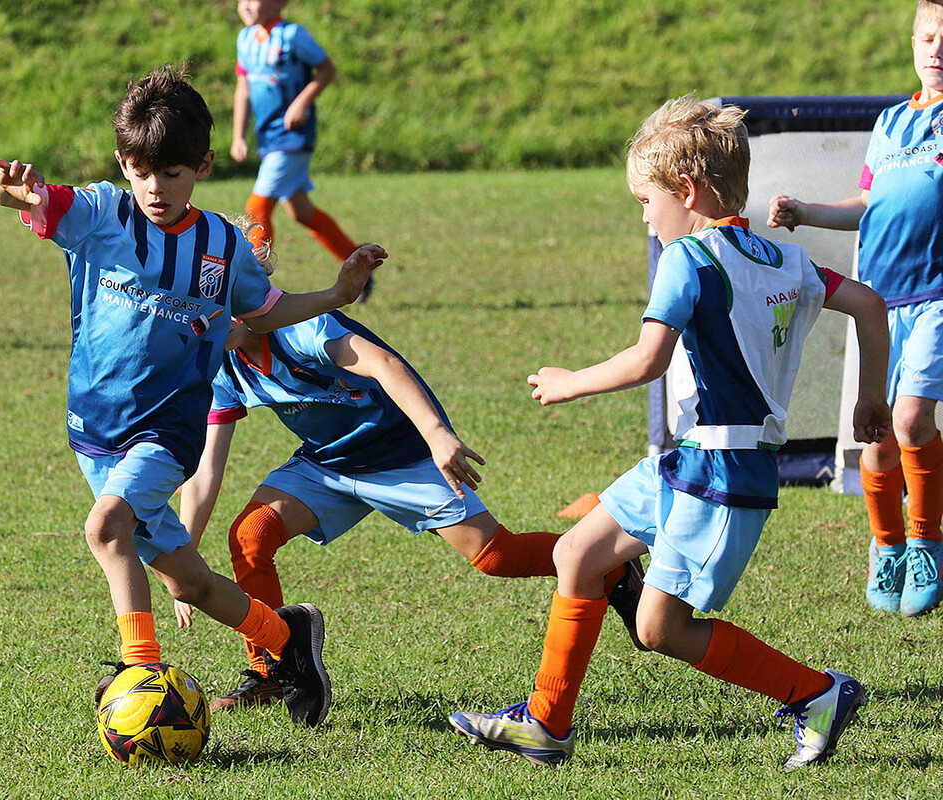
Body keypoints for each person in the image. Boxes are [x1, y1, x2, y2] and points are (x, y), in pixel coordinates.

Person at [449, 96, 892, 769]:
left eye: (646, 201)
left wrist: (569, 381)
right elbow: (868, 302)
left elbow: (646, 361)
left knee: (659, 628)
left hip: (719, 478)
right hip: (690, 462)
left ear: (687, 191)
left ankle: (817, 693)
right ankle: (546, 723)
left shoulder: (689, 259)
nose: (645, 217)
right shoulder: (784, 260)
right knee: (577, 555)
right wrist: (868, 401)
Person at [0, 63, 387, 729]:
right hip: (93, 431)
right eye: (141, 171)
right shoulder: (98, 213)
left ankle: (139, 668)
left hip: (167, 433)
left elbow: (264, 311)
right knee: (186, 580)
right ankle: (288, 639)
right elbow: (23, 200)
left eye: (170, 173)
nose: (154, 187)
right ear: (123, 162)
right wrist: (7, 191)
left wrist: (338, 295)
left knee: (106, 528)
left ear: (201, 166)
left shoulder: (220, 244)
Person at [172, 309, 646, 711]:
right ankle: (274, 670)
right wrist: (185, 558)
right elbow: (206, 469)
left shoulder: (305, 329)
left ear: (249, 296)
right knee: (251, 535)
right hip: (328, 464)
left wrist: (438, 435)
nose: (204, 321)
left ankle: (613, 569)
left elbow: (383, 363)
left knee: (496, 557)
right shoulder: (223, 367)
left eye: (214, 306)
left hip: (405, 455)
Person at [767, 0, 943, 616]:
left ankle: (926, 541)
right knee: (876, 437)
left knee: (913, 420)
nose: (936, 50)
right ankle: (887, 545)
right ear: (913, 41)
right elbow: (866, 203)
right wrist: (809, 211)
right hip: (880, 302)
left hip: (937, 299)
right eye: (927, 37)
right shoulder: (893, 122)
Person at [232, 0, 372, 300]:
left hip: (293, 138)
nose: (245, 5)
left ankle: (255, 286)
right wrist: (238, 136)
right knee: (301, 212)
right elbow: (243, 88)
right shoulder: (244, 39)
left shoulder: (292, 35)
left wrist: (301, 102)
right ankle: (358, 261)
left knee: (257, 208)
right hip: (268, 138)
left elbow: (326, 69)